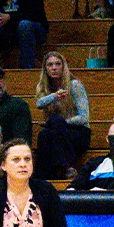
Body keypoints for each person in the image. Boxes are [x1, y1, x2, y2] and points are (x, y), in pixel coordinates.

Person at [33, 51, 90, 180]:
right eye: (50, 65)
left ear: (63, 66)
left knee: (55, 122)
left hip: (78, 133)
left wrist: (61, 122)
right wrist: (54, 96)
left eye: (58, 64)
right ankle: (46, 177)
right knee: (43, 135)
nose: (54, 68)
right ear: (45, 68)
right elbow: (39, 104)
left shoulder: (75, 85)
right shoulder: (43, 86)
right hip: (57, 134)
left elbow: (83, 117)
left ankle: (66, 167)